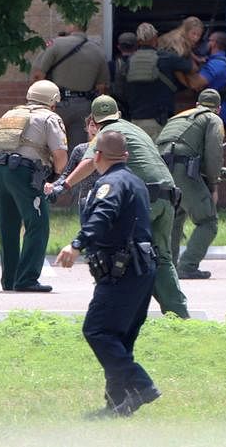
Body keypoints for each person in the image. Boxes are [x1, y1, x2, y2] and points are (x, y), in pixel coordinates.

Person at [52, 95, 189, 318]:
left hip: (144, 200)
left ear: (94, 122)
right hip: (168, 197)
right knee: (161, 258)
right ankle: (180, 317)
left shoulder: (107, 133)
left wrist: (63, 185)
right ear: (118, 114)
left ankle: (115, 315)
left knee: (117, 253)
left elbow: (88, 162)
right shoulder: (135, 130)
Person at [54, 130, 160, 418]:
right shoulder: (134, 181)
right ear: (125, 156)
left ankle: (141, 384)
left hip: (121, 270)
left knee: (97, 330)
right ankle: (117, 405)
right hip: (142, 269)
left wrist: (77, 244)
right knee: (119, 338)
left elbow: (103, 215)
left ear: (97, 156)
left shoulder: (109, 184)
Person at [0, 80, 68, 292]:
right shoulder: (50, 117)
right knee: (37, 224)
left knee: (7, 226)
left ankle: (10, 279)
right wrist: (58, 177)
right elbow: (60, 155)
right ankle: (27, 279)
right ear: (52, 101)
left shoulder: (10, 114)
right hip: (23, 173)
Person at [155, 89, 225, 280]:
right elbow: (213, 154)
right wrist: (213, 184)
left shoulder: (178, 118)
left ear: (197, 104)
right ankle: (187, 266)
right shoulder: (213, 119)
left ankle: (167, 267)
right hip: (183, 171)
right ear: (218, 109)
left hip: (161, 170)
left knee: (176, 217)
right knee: (208, 221)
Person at [32, 21, 109, 152]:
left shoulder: (56, 44)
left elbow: (38, 75)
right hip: (84, 107)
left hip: (56, 104)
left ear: (72, 25)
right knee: (77, 151)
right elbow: (102, 87)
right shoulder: (98, 51)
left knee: (51, 150)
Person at [124, 22, 194, 141]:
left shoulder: (130, 61)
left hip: (135, 120)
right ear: (155, 38)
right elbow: (190, 67)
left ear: (138, 40)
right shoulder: (166, 58)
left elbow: (123, 88)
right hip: (158, 120)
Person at [46, 114, 100, 214]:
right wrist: (52, 186)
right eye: (92, 125)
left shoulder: (110, 149)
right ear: (87, 128)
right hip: (85, 200)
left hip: (104, 198)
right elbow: (67, 175)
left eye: (99, 126)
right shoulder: (80, 150)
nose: (95, 129)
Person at [187, 31, 226, 129]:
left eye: (209, 40)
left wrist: (186, 62)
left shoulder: (217, 64)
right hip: (211, 115)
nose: (206, 43)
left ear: (214, 43)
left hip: (214, 116)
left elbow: (195, 84)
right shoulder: (213, 61)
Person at [108, 31, 138, 116]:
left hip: (118, 107)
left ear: (118, 47)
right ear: (136, 46)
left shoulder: (112, 65)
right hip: (138, 106)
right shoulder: (141, 64)